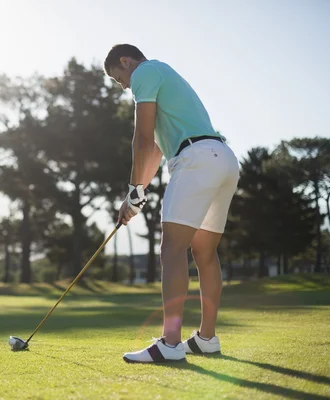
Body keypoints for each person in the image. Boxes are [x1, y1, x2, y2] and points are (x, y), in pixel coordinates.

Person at [105, 44, 240, 363]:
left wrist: (134, 187)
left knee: (172, 248)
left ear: (126, 61)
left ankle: (170, 343)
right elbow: (154, 150)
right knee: (204, 252)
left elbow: (142, 136)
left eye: (118, 77)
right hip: (223, 159)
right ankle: (206, 339)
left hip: (195, 160)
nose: (123, 85)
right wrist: (135, 193)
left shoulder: (145, 72)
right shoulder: (163, 75)